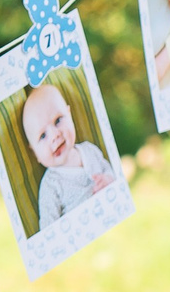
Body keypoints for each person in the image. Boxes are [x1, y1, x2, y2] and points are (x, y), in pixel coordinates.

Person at [22, 82, 115, 230]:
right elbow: (49, 230)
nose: (55, 135)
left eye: (58, 120)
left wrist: (109, 179)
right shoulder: (50, 186)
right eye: (43, 135)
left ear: (69, 114)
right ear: (34, 153)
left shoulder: (90, 150)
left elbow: (110, 170)